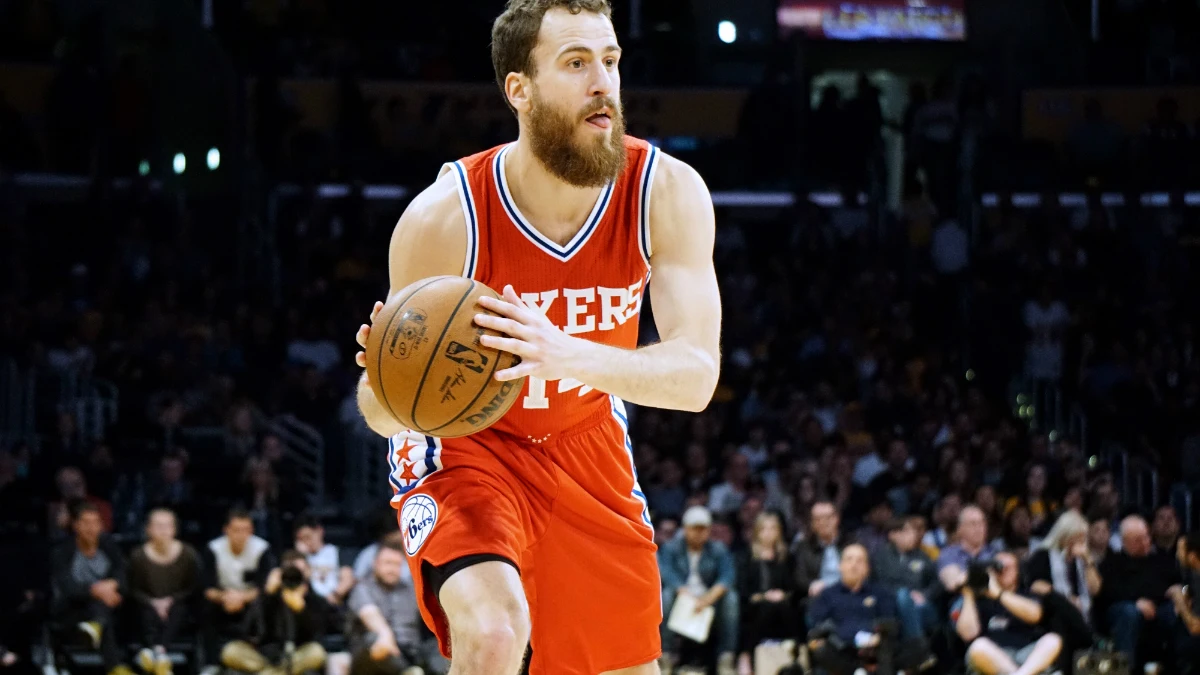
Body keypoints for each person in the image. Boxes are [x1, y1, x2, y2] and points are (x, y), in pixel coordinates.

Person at [352, 1, 721, 673]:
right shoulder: (445, 215)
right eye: (576, 64)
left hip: (587, 444)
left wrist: (562, 351)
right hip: (469, 444)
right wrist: (385, 385)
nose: (602, 82)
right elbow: (382, 412)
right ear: (518, 89)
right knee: (495, 634)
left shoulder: (665, 192)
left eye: (609, 61)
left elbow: (697, 376)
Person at [807, 544, 930, 675]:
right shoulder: (827, 595)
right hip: (844, 649)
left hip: (878, 647)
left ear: (867, 568)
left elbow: (889, 620)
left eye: (860, 561)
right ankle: (857, 671)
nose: (854, 565)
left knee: (918, 645)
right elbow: (819, 624)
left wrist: (874, 636)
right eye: (849, 559)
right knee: (820, 649)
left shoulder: (880, 592)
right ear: (840, 565)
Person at [49, 502, 133, 675]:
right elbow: (68, 588)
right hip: (72, 611)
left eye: (95, 522)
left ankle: (97, 626)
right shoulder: (62, 552)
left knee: (102, 609)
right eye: (86, 522)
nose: (91, 527)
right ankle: (116, 667)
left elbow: (123, 575)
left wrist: (113, 584)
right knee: (98, 606)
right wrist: (97, 590)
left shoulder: (108, 546)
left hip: (106, 609)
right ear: (75, 525)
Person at [951, 551, 1063, 675]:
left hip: (1027, 656)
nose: (1003, 570)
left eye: (1008, 567)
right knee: (978, 646)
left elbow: (1035, 615)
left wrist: (998, 593)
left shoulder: (1027, 594)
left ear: (1017, 571)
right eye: (998, 567)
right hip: (993, 658)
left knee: (1053, 640)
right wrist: (968, 592)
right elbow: (968, 634)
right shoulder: (979, 600)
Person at [657, 506, 738, 674]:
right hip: (682, 596)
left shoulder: (718, 549)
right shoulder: (671, 548)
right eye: (695, 528)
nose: (699, 533)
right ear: (685, 528)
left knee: (731, 598)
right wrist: (684, 592)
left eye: (703, 529)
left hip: (708, 599)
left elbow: (727, 576)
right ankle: (665, 655)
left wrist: (708, 598)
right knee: (665, 596)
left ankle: (726, 657)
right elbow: (666, 573)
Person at [221, 551, 329, 675]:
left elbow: (316, 637)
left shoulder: (315, 600)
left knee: (317, 652)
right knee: (230, 651)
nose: (293, 577)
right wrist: (267, 595)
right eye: (289, 572)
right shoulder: (269, 595)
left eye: (299, 572)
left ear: (308, 572)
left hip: (296, 656)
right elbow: (248, 630)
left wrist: (301, 611)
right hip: (263, 656)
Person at [347, 534, 442, 675]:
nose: (392, 569)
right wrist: (385, 634)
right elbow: (369, 614)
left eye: (397, 564)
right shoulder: (363, 587)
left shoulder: (411, 589)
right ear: (375, 563)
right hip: (374, 653)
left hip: (410, 652)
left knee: (440, 645)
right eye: (387, 563)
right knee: (374, 640)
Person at [128, 508, 201, 675]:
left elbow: (193, 587)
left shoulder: (188, 554)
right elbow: (133, 588)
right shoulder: (138, 556)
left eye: (168, 526)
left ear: (174, 529)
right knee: (145, 610)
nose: (163, 530)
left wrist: (170, 600)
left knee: (179, 609)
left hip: (177, 606)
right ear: (148, 530)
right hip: (147, 606)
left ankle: (158, 651)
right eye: (158, 526)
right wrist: (153, 602)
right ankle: (151, 651)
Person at [736, 512, 796, 673]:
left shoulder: (786, 556)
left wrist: (783, 595)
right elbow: (743, 588)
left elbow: (793, 586)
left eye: (772, 528)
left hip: (782, 603)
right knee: (765, 608)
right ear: (757, 532)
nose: (768, 533)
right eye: (764, 529)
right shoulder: (747, 556)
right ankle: (747, 656)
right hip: (754, 603)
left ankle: (792, 656)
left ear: (779, 531)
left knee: (782, 607)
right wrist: (763, 596)